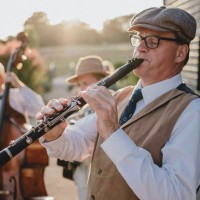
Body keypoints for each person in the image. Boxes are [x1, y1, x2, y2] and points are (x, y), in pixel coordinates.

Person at [37, 6, 200, 200]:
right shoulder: (121, 96)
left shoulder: (192, 111)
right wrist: (56, 134)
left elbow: (175, 194)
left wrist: (113, 132)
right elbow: (79, 144)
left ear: (180, 53)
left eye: (153, 41)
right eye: (139, 38)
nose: (140, 47)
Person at [59, 55, 113, 200]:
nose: (82, 89)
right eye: (79, 84)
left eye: (86, 83)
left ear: (102, 82)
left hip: (102, 174)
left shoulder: (111, 103)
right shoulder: (83, 108)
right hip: (82, 174)